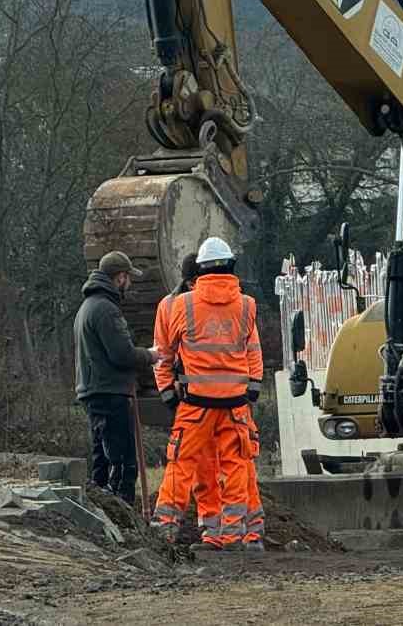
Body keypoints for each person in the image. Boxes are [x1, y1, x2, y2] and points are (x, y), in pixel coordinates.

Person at [153, 235, 265, 550]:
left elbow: (163, 354)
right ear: (231, 266)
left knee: (181, 465)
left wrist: (167, 394)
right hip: (236, 404)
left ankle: (164, 531)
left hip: (195, 404)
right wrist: (252, 389)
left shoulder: (180, 305)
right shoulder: (247, 305)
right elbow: (253, 350)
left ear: (198, 271)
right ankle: (234, 535)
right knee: (237, 465)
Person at [74, 250, 160, 504]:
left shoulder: (87, 307)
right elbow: (122, 354)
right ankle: (123, 514)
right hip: (109, 393)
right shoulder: (106, 310)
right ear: (120, 277)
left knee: (102, 459)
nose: (130, 283)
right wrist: (151, 355)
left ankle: (103, 510)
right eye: (128, 278)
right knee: (122, 463)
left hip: (94, 391)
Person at [150, 254, 198, 539]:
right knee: (182, 460)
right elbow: (162, 355)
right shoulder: (169, 306)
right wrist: (168, 392)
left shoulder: (173, 304)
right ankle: (167, 524)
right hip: (188, 398)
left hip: (202, 397)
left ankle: (212, 526)